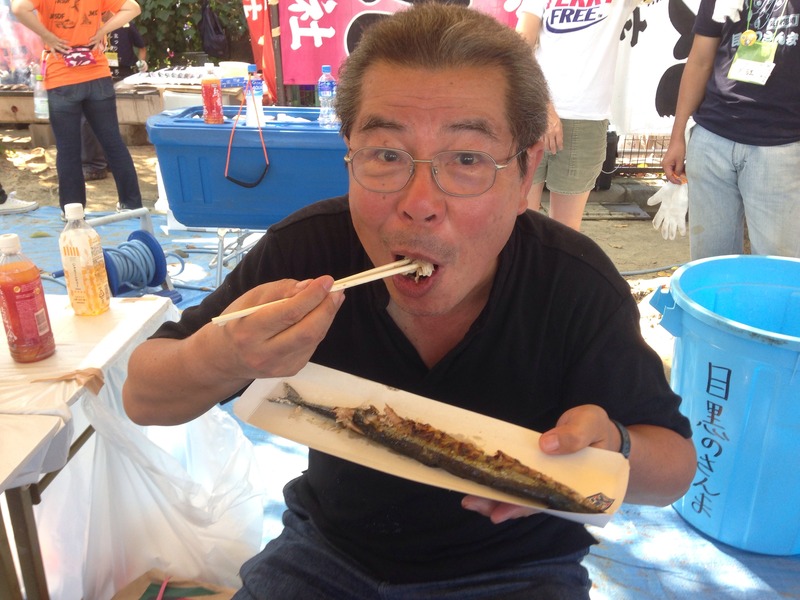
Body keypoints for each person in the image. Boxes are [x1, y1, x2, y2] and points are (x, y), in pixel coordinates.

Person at [123, 5, 696, 598]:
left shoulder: (572, 282)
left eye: (467, 160)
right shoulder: (308, 251)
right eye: (387, 155)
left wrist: (611, 449)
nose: (419, 203)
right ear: (349, 156)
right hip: (327, 551)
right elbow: (142, 397)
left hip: (519, 569)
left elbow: (674, 469)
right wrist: (224, 357)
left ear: (525, 172)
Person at [661, 0, 800, 259]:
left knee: (776, 266)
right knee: (710, 262)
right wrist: (677, 135)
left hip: (781, 145)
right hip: (712, 137)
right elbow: (699, 61)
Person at [516, 0, 646, 231]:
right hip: (533, 112)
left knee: (565, 231)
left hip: (586, 118)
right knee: (519, 220)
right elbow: (520, 45)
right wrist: (545, 106)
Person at [11, 0, 144, 214]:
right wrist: (102, 31)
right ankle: (132, 205)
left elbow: (18, 8)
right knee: (113, 143)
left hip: (60, 75)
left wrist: (47, 36)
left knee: (68, 150)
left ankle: (73, 212)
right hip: (97, 73)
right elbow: (133, 8)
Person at [82, 21, 148, 182]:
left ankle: (99, 164)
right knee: (95, 119)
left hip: (118, 76)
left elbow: (142, 47)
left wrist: (141, 64)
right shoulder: (90, 23)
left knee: (96, 120)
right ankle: (103, 163)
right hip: (97, 75)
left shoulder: (125, 24)